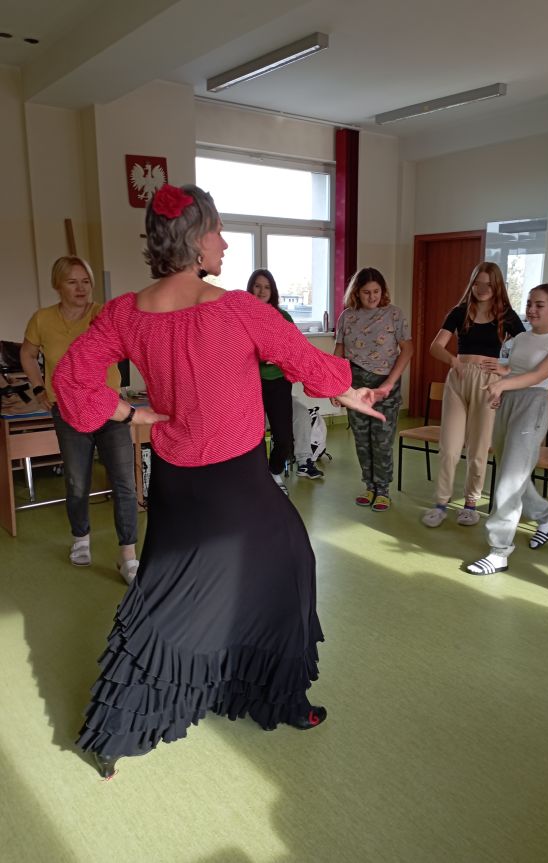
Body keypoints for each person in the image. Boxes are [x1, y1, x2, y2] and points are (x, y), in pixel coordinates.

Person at [52, 184, 384, 779]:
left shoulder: (127, 311)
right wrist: (349, 390)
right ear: (194, 241)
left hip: (178, 479)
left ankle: (120, 724)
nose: (225, 242)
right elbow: (308, 363)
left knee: (170, 590)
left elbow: (72, 382)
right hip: (233, 479)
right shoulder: (236, 309)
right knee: (284, 566)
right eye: (218, 231)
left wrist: (131, 414)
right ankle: (272, 696)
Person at [20, 256, 139, 584]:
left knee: (124, 482)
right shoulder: (42, 319)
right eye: (72, 282)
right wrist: (39, 387)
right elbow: (28, 354)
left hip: (110, 409)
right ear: (57, 285)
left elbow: (129, 342)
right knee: (77, 481)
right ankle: (81, 538)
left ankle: (128, 554)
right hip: (68, 410)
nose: (81, 288)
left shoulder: (102, 313)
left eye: (85, 281)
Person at [466, 284, 548, 575]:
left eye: (540, 305)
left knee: (510, 480)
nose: (532, 310)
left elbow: (538, 376)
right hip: (508, 405)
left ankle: (499, 551)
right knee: (513, 473)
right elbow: (514, 370)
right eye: (529, 303)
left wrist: (502, 383)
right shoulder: (521, 338)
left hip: (532, 408)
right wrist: (500, 381)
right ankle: (545, 518)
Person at [422, 262, 525, 529]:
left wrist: (505, 369)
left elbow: (527, 354)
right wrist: (453, 361)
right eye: (477, 283)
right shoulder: (459, 312)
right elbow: (436, 347)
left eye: (488, 284)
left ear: (497, 285)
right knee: (449, 448)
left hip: (488, 383)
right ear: (472, 284)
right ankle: (440, 503)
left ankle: (470, 504)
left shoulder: (507, 316)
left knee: (479, 448)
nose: (482, 289)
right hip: (459, 378)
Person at [334, 267, 413, 511]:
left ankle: (383, 490)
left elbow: (407, 349)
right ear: (357, 292)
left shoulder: (394, 315)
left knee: (381, 440)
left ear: (383, 291)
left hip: (385, 384)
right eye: (366, 292)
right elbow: (339, 354)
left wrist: (390, 382)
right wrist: (336, 387)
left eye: (376, 292)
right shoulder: (347, 316)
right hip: (355, 385)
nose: (372, 297)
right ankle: (369, 486)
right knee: (361, 439)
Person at [246, 269, 294, 492]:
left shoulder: (283, 317)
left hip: (279, 383)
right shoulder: (243, 317)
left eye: (266, 287)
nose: (262, 291)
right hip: (251, 383)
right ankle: (259, 480)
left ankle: (274, 472)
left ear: (272, 291)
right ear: (251, 288)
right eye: (257, 286)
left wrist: (279, 357)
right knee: (253, 437)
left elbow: (295, 349)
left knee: (283, 437)